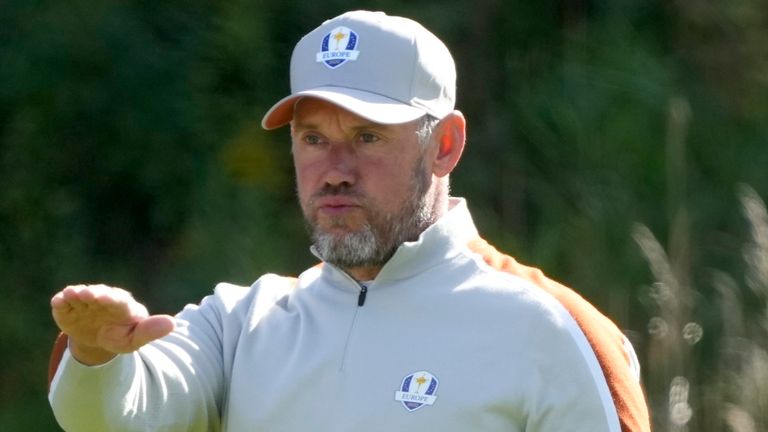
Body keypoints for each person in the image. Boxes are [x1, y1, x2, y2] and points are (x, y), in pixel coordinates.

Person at [48, 10, 651, 432]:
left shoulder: (550, 329)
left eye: (366, 137)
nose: (334, 170)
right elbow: (118, 418)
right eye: (313, 138)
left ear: (444, 145)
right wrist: (97, 355)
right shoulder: (240, 325)